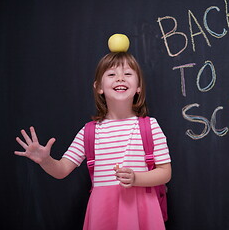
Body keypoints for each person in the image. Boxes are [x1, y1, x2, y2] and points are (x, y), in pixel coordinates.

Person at [15, 52, 171, 230]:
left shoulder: (150, 126)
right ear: (99, 87)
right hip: (103, 212)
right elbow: (61, 170)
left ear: (139, 87)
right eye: (111, 74)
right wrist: (45, 161)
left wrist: (136, 178)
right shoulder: (89, 132)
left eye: (128, 74)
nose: (120, 78)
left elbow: (165, 172)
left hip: (141, 210)